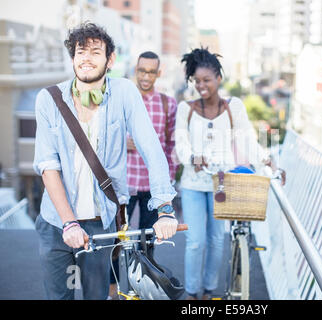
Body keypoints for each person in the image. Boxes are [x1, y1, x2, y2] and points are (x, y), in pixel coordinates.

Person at [33, 22, 178, 300]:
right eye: (80, 51)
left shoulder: (124, 92)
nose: (86, 58)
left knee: (96, 296)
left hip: (101, 223)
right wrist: (69, 223)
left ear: (110, 59)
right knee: (58, 297)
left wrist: (164, 207)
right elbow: (48, 166)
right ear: (73, 57)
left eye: (95, 52)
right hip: (56, 222)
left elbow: (151, 148)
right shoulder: (49, 99)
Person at [175, 47, 277, 300]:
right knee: (195, 241)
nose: (201, 85)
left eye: (207, 80)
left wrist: (265, 159)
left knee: (217, 241)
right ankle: (191, 292)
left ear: (219, 78)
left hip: (223, 184)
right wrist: (192, 157)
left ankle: (209, 290)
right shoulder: (184, 109)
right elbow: (180, 144)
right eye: (196, 81)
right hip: (193, 184)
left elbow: (247, 141)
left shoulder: (235, 107)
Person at [126, 51, 178, 229]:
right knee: (117, 242)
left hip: (153, 185)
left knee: (148, 242)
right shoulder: (124, 100)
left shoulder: (168, 104)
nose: (146, 76)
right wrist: (122, 144)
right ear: (135, 70)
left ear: (159, 74)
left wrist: (169, 178)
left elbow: (172, 144)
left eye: (151, 72)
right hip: (125, 183)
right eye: (142, 71)